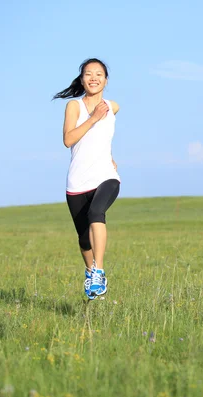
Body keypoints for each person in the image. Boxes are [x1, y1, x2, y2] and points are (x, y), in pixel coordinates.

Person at [53, 58, 121, 300]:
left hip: (106, 177)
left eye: (99, 73)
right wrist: (92, 118)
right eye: (88, 74)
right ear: (82, 79)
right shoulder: (75, 106)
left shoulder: (112, 106)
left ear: (105, 80)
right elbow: (68, 140)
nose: (94, 77)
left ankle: (99, 272)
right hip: (77, 182)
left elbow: (104, 138)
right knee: (84, 239)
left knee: (96, 214)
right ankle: (91, 271)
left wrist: (110, 156)